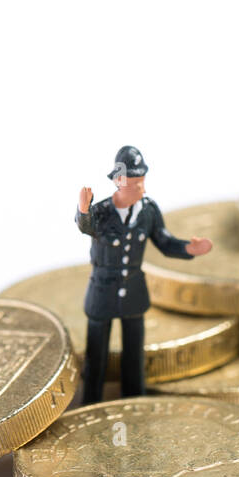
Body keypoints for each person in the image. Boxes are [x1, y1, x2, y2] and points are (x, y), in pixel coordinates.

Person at [75, 145, 212, 404]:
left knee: (134, 353)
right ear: (118, 181)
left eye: (142, 181)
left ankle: (134, 399)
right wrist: (83, 211)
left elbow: (164, 240)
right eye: (135, 183)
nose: (142, 188)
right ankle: (90, 402)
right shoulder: (102, 212)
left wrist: (188, 248)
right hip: (102, 291)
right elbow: (87, 226)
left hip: (133, 293)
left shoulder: (148, 210)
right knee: (97, 354)